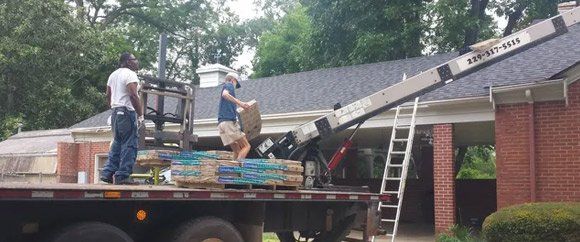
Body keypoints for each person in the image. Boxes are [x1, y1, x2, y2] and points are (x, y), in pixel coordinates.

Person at [100, 52, 143, 185]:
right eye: (134, 59)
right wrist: (140, 114)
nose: (136, 62)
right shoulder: (130, 74)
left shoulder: (113, 75)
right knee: (129, 144)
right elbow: (133, 95)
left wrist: (113, 108)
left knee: (117, 143)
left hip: (115, 113)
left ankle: (108, 173)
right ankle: (123, 176)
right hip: (126, 112)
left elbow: (108, 94)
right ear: (128, 62)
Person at [218, 72, 251, 160]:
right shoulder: (229, 84)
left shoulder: (227, 91)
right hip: (229, 122)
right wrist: (241, 103)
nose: (235, 86)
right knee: (246, 146)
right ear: (233, 80)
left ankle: (232, 171)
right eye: (236, 83)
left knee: (236, 150)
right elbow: (225, 94)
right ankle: (237, 168)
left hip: (221, 124)